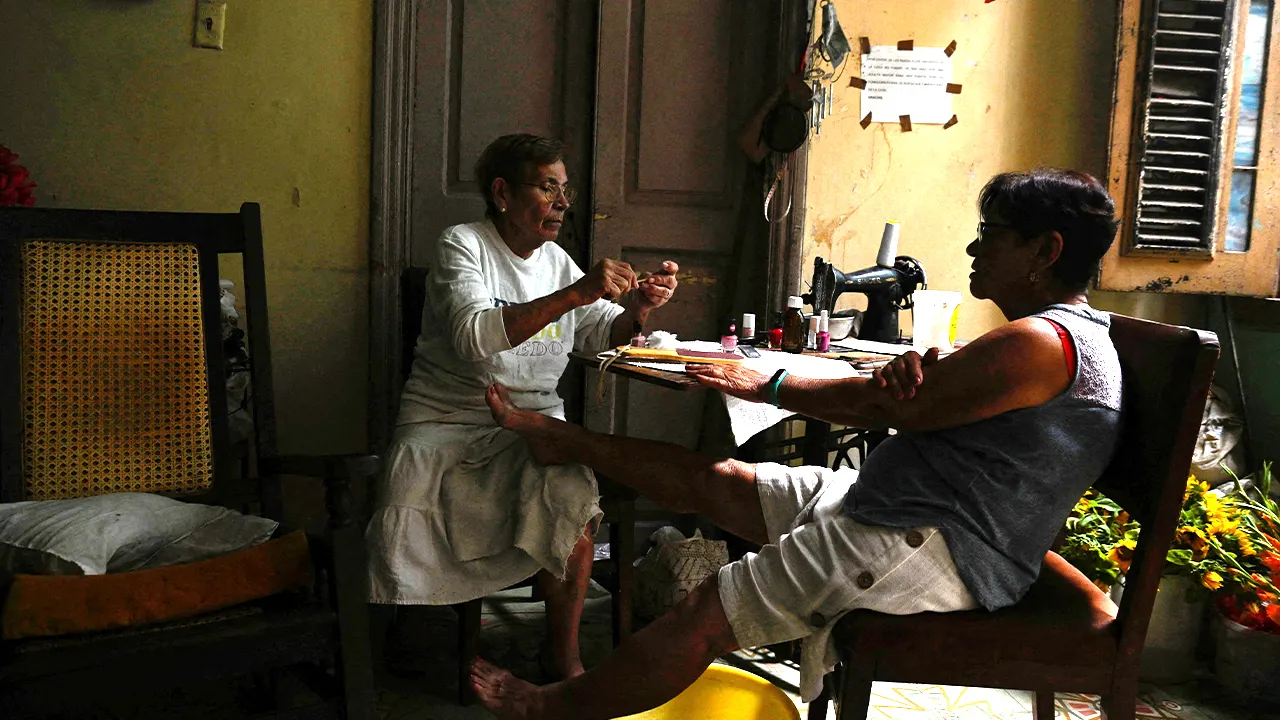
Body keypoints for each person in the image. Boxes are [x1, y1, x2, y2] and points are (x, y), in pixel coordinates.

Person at [468, 168, 1124, 719]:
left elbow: (881, 407)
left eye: (993, 233)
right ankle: (565, 441)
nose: (976, 247)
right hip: (907, 505)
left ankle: (544, 708)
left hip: (932, 541)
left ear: (1045, 251)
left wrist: (769, 383)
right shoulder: (1054, 337)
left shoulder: (1040, 342)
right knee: (715, 479)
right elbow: (929, 407)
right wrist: (915, 381)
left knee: (708, 609)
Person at [366, 134, 679, 680]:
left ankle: (563, 658)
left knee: (570, 497)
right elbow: (472, 336)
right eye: (547, 188)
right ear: (503, 193)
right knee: (409, 494)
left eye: (564, 190)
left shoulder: (557, 261)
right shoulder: (463, 245)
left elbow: (597, 335)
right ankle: (389, 654)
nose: (562, 203)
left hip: (533, 424)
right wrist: (576, 294)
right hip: (448, 420)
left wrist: (637, 310)